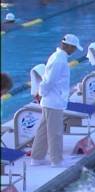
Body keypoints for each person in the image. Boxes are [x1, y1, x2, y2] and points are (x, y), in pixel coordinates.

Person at [31, 34, 83, 167]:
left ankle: (37, 158)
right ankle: (56, 160)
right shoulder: (59, 60)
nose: (75, 51)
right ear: (69, 46)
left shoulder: (58, 57)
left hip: (52, 100)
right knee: (55, 132)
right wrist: (42, 94)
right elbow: (48, 81)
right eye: (74, 48)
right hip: (53, 101)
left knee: (43, 130)